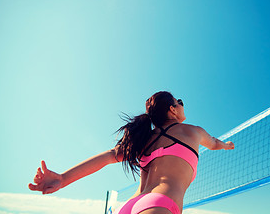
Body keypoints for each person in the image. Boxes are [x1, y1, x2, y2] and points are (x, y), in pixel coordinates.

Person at [29, 91, 234, 214]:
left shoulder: (143, 139)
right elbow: (214, 143)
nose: (181, 104)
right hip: (161, 202)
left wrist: (63, 178)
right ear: (172, 110)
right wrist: (226, 145)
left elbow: (108, 157)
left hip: (129, 206)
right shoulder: (193, 131)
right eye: (179, 101)